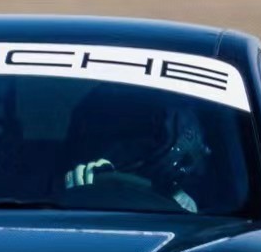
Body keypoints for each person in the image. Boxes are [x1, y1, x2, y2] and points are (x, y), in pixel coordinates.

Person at [62, 85, 210, 212]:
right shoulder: (61, 185)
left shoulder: (199, 200)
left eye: (131, 136)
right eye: (99, 137)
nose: (115, 149)